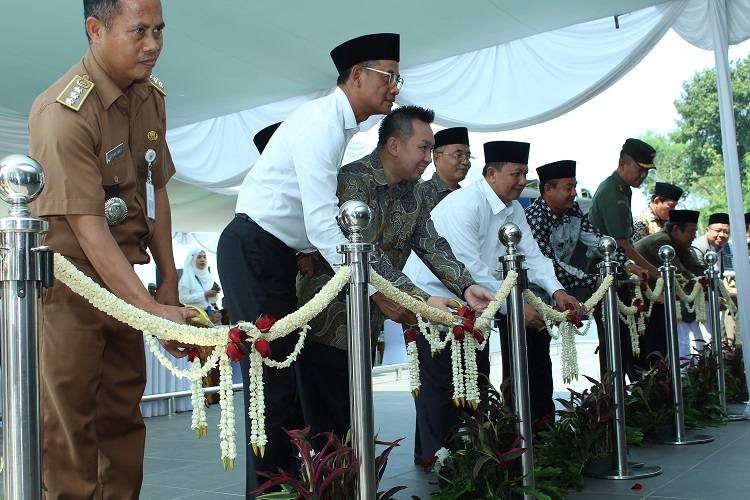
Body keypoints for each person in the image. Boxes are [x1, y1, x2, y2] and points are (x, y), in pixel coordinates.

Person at [216, 33, 403, 498]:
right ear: (356, 76)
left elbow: (304, 216)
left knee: (288, 389)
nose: (396, 87)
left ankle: (291, 490)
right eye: (388, 76)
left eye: (399, 78)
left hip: (276, 252)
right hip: (254, 250)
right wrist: (373, 287)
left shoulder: (336, 126)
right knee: (272, 389)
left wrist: (303, 249)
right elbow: (323, 221)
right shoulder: (321, 124)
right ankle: (266, 495)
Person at [28, 0, 195, 497]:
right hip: (68, 287)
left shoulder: (149, 97)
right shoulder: (62, 112)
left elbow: (156, 189)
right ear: (95, 29)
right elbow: (87, 226)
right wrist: (150, 310)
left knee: (123, 417)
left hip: (125, 279)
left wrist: (167, 283)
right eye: (139, 31)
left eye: (160, 30)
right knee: (69, 426)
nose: (154, 45)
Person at [296, 105, 494, 451]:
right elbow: (368, 253)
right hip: (325, 327)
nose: (429, 158)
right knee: (326, 428)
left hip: (368, 322)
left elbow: (432, 244)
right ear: (394, 145)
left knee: (355, 420)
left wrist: (466, 285)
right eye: (424, 148)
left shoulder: (413, 193)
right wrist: (420, 299)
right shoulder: (351, 181)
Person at [402, 141, 583, 461]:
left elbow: (534, 258)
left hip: (476, 302)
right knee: (443, 384)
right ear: (491, 173)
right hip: (435, 299)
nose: (522, 180)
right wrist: (515, 309)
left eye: (525, 173)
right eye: (516, 173)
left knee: (474, 378)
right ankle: (441, 463)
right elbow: (472, 270)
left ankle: (462, 457)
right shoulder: (466, 204)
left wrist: (557, 292)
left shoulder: (513, 209)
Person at [408, 125, 471, 464]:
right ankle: (437, 454)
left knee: (462, 378)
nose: (463, 162)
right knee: (435, 381)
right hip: (428, 299)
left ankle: (438, 448)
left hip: (463, 298)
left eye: (467, 156)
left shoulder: (468, 196)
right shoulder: (420, 194)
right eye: (456, 154)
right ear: (435, 157)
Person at [586, 138, 659, 380]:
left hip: (617, 270)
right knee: (615, 341)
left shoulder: (621, 190)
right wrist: (655, 271)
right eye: (639, 170)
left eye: (646, 172)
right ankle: (611, 399)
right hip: (607, 273)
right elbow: (622, 244)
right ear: (622, 164)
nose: (642, 177)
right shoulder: (613, 193)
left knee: (625, 340)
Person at [635, 210, 705, 362]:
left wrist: (713, 282)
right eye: (691, 231)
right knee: (651, 347)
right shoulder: (661, 241)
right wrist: (701, 286)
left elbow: (695, 268)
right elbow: (680, 273)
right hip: (643, 301)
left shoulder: (680, 244)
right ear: (675, 229)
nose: (694, 236)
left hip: (659, 299)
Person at [178, 248, 220, 314]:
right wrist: (203, 295)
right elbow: (183, 299)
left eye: (204, 257)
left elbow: (211, 301)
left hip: (209, 314)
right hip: (194, 315)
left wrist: (214, 294)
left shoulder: (209, 277)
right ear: (193, 260)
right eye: (199, 257)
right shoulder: (187, 278)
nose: (202, 260)